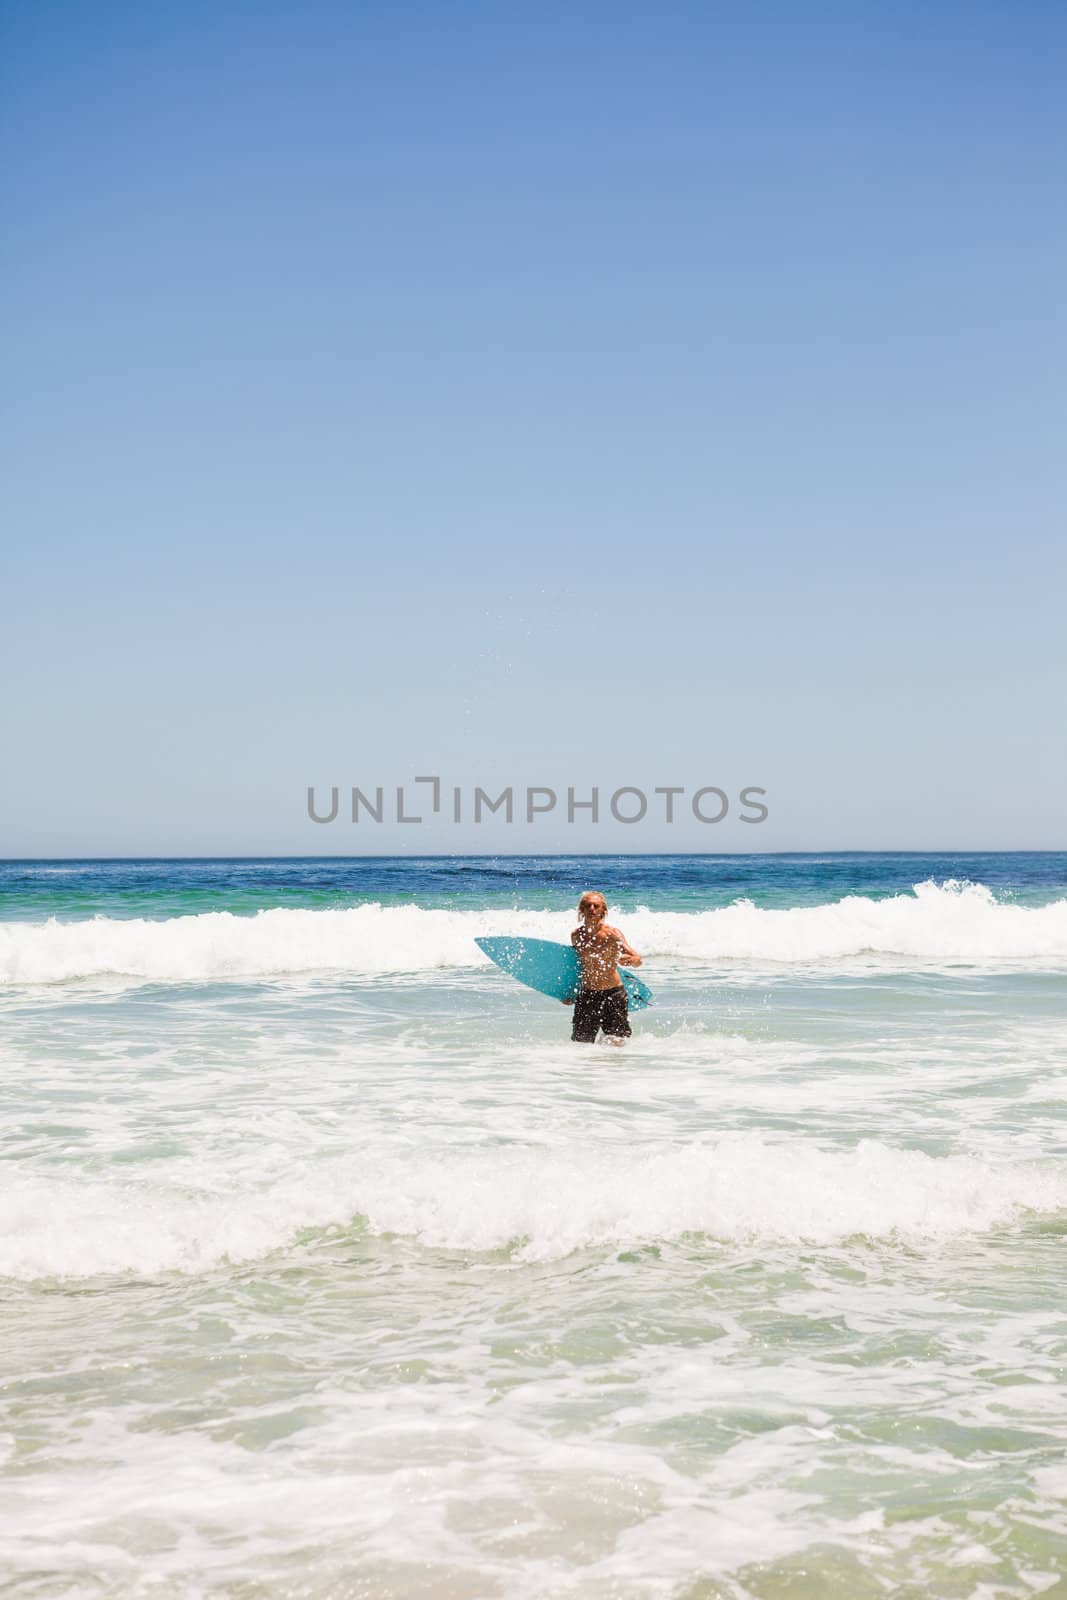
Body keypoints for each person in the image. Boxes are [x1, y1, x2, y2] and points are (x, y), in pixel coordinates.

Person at [566, 891, 643, 1045]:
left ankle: (612, 1070)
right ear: (582, 910)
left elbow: (637, 959)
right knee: (581, 1044)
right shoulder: (576, 935)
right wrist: (568, 992)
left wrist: (632, 960)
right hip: (587, 994)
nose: (592, 909)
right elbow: (578, 966)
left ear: (603, 910)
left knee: (617, 1043)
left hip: (613, 994)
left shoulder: (612, 934)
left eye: (596, 906)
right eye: (588, 906)